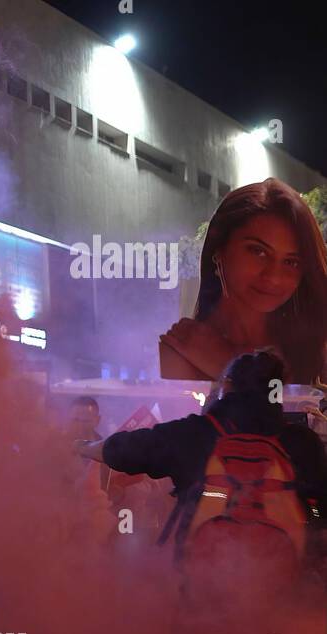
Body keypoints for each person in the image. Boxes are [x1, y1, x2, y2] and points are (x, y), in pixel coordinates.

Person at [79, 349, 327, 610]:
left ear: (227, 386)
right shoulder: (303, 443)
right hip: (284, 599)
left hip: (203, 597)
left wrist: (80, 446)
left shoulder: (196, 433)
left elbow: (123, 450)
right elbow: (321, 517)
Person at [160, 178, 327, 384]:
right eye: (258, 251)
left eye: (291, 262)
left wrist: (231, 368)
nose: (273, 277)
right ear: (219, 250)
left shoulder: (317, 352)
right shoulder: (181, 350)